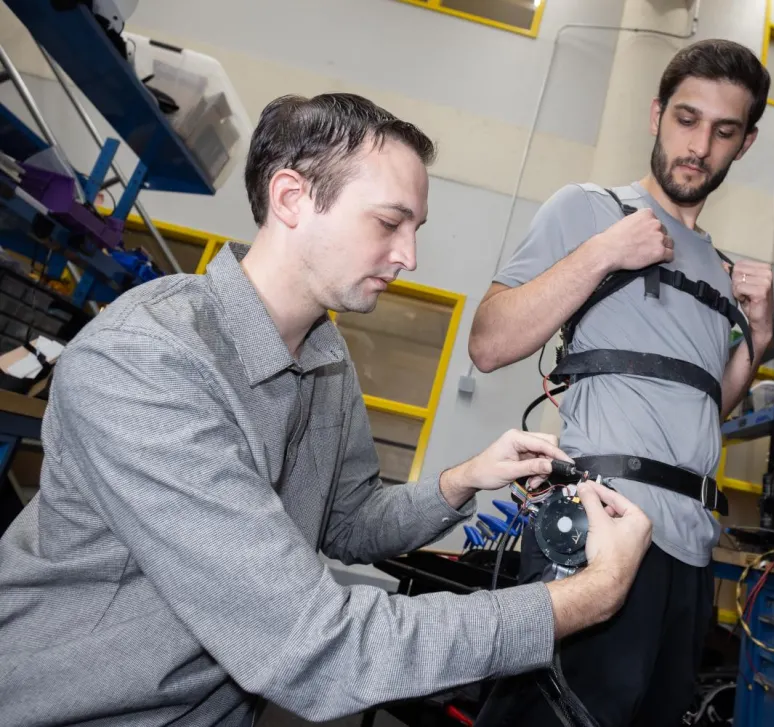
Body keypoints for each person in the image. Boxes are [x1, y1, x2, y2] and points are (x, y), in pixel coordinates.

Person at [0, 93, 652, 727]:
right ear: (291, 198)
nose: (409, 256)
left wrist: (465, 476)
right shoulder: (150, 361)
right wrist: (585, 596)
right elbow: (314, 646)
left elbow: (347, 524)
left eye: (415, 229)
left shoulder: (325, 356)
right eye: (388, 223)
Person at [468, 39, 774, 726]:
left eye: (724, 132)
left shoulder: (722, 270)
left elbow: (704, 411)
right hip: (599, 529)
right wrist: (607, 249)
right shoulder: (588, 208)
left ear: (745, 143)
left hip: (690, 549)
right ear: (656, 114)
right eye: (687, 120)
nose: (699, 146)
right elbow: (489, 341)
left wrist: (758, 338)